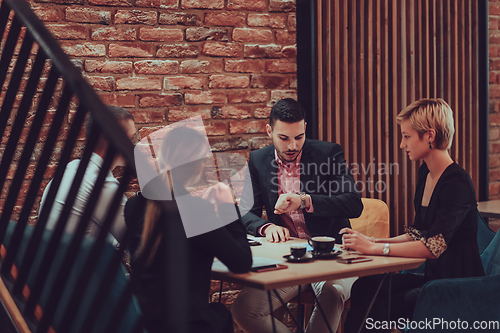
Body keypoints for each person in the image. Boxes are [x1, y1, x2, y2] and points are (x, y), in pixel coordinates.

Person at [342, 98, 485, 333]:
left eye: (407, 136)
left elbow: (434, 246)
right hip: (433, 278)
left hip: (458, 285)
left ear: (429, 135)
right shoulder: (425, 173)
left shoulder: (456, 181)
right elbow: (419, 232)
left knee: (382, 303)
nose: (401, 144)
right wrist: (373, 241)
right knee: (364, 287)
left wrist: (375, 249)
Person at [232, 98, 363, 333]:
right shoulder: (258, 160)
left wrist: (305, 200)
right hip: (290, 259)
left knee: (332, 294)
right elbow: (245, 213)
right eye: (284, 138)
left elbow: (353, 204)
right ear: (269, 131)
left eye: (299, 137)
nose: (292, 145)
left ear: (305, 128)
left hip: (332, 257)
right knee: (245, 308)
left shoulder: (329, 154)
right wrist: (266, 227)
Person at [125, 126, 252, 333]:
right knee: (220, 313)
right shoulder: (194, 210)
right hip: (187, 325)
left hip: (145, 323)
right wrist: (228, 207)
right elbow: (242, 263)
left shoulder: (134, 205)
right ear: (200, 165)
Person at [39, 105, 138, 244]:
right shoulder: (101, 184)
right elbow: (135, 243)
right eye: (131, 138)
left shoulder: (70, 169)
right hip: (81, 264)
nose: (133, 146)